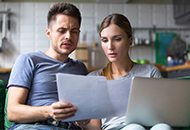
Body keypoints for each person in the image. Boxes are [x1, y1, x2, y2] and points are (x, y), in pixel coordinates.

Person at [81, 13, 173, 130]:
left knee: (163, 127)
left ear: (130, 41)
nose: (110, 46)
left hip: (149, 127)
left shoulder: (150, 72)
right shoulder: (94, 78)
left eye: (117, 39)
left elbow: (163, 113)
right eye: (105, 40)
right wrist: (82, 123)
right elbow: (95, 127)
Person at [7, 3, 89, 130]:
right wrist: (49, 111)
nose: (68, 36)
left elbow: (88, 114)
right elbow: (12, 112)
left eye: (74, 31)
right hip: (34, 126)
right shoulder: (29, 60)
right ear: (49, 33)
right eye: (62, 31)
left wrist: (84, 119)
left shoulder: (80, 68)